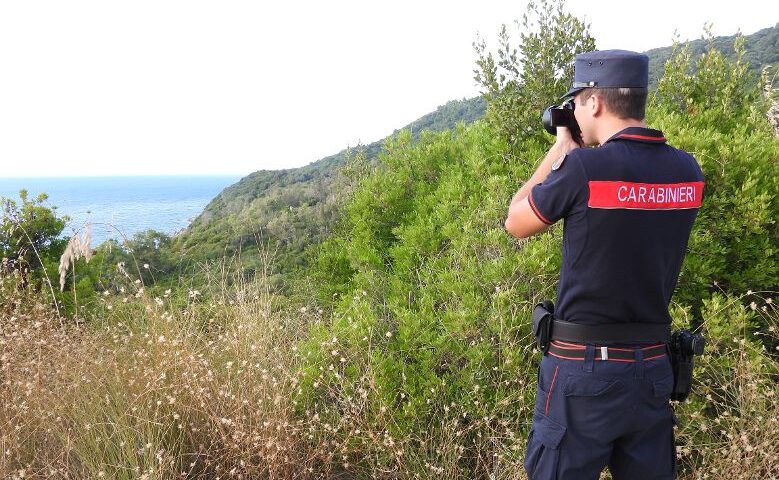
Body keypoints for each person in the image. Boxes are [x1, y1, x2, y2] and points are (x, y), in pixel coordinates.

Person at [504, 50, 704, 479]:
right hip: (652, 370)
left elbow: (515, 219)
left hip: (581, 374)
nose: (575, 110)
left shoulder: (583, 169)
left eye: (576, 101)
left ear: (594, 102)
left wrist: (561, 148)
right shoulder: (689, 172)